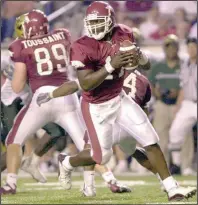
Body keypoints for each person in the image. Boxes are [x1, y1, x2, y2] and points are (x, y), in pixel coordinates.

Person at [39, 1, 196, 201]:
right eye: (92, 22)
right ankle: (67, 162)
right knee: (101, 157)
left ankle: (172, 188)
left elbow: (145, 65)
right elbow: (86, 84)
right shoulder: (82, 46)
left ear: (111, 21)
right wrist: (111, 66)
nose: (95, 26)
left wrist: (139, 57)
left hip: (120, 98)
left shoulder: (123, 33)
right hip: (95, 106)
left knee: (151, 139)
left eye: (99, 22)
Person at [0, 10, 131, 196]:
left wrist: (14, 73)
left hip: (43, 98)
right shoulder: (62, 35)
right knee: (86, 145)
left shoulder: (20, 45)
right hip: (68, 96)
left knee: (14, 140)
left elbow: (17, 87)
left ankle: (10, 183)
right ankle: (111, 180)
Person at [148, 34, 194, 173]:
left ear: (178, 48)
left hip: (180, 104)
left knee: (185, 134)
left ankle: (186, 166)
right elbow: (151, 84)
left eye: (174, 47)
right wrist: (157, 93)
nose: (171, 50)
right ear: (164, 49)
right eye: (168, 47)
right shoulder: (157, 66)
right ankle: (164, 167)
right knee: (161, 135)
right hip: (162, 104)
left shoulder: (184, 64)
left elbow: (189, 83)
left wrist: (179, 92)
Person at [169, 37, 197, 175]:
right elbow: (183, 87)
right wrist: (177, 106)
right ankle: (177, 164)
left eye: (194, 47)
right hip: (187, 103)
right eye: (189, 47)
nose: (191, 50)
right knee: (175, 132)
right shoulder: (185, 64)